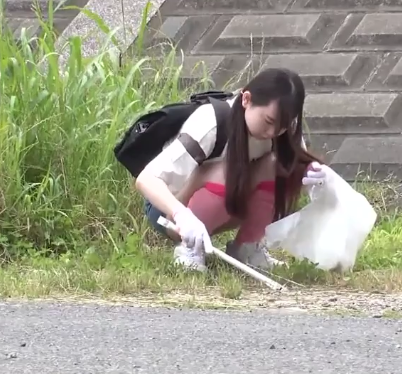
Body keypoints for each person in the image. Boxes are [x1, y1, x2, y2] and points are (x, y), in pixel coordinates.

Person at [133, 67, 331, 271]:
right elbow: (145, 179)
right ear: (246, 99)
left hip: (230, 201)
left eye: (282, 126)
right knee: (227, 172)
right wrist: (182, 215)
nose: (272, 132)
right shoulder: (211, 123)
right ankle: (190, 248)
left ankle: (247, 247)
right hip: (170, 211)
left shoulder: (283, 130)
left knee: (278, 165)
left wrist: (311, 175)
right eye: (269, 121)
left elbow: (291, 171)